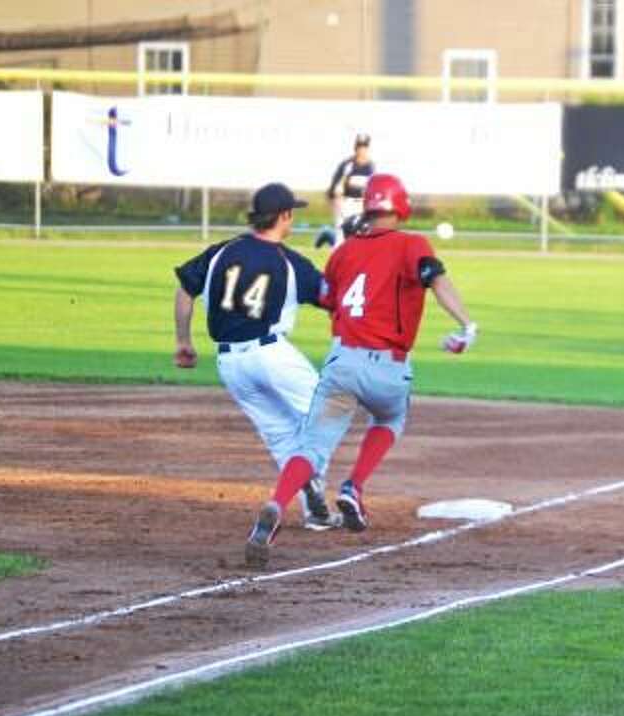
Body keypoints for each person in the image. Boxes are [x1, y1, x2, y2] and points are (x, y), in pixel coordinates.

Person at [244, 173, 478, 567]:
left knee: (312, 450)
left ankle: (276, 505)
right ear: (401, 206)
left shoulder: (345, 251)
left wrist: (349, 248)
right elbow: (436, 280)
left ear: (367, 206)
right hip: (387, 368)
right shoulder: (412, 244)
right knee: (390, 417)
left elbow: (330, 298)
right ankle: (353, 486)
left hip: (342, 366)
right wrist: (465, 325)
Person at [173, 182, 341, 531]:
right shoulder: (291, 262)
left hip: (230, 365)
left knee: (281, 435)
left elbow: (184, 289)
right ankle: (310, 483)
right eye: (291, 213)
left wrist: (183, 341)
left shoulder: (220, 252)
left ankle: (315, 508)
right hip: (271, 355)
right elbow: (333, 300)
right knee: (329, 413)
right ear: (283, 216)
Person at [316, 133, 375, 250]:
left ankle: (328, 234)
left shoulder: (371, 167)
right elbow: (334, 187)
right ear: (355, 148)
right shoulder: (347, 165)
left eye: (364, 147)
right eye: (359, 146)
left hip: (362, 205)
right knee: (341, 242)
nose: (362, 150)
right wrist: (335, 201)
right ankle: (329, 237)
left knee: (361, 240)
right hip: (346, 204)